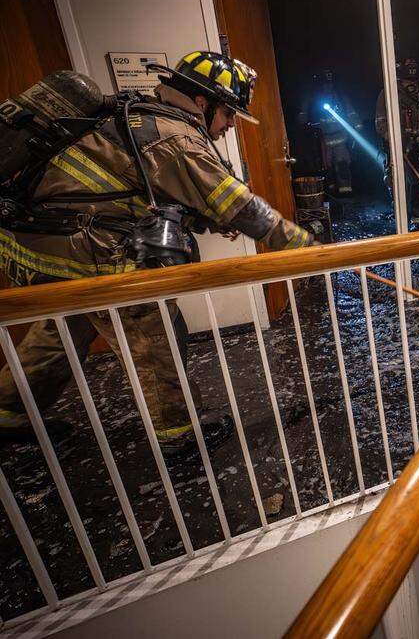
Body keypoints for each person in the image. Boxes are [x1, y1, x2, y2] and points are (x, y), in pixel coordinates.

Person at [0, 50, 314, 456]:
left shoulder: (143, 117)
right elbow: (244, 209)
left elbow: (140, 192)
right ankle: (179, 433)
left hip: (43, 249)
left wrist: (204, 216)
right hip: (91, 253)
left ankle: (7, 411)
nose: (230, 125)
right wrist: (308, 249)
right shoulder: (175, 137)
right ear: (203, 102)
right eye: (229, 113)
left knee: (64, 330)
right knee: (155, 334)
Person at [375, 58, 419, 227]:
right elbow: (381, 121)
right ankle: (401, 220)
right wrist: (393, 141)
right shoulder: (387, 94)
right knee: (397, 181)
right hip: (397, 145)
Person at [302, 69, 361, 195]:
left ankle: (346, 191)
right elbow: (304, 116)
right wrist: (305, 123)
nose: (327, 87)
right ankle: (330, 192)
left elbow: (351, 112)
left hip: (340, 138)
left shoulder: (340, 97)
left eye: (330, 84)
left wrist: (357, 126)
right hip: (322, 140)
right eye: (325, 84)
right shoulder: (313, 99)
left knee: (342, 164)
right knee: (325, 167)